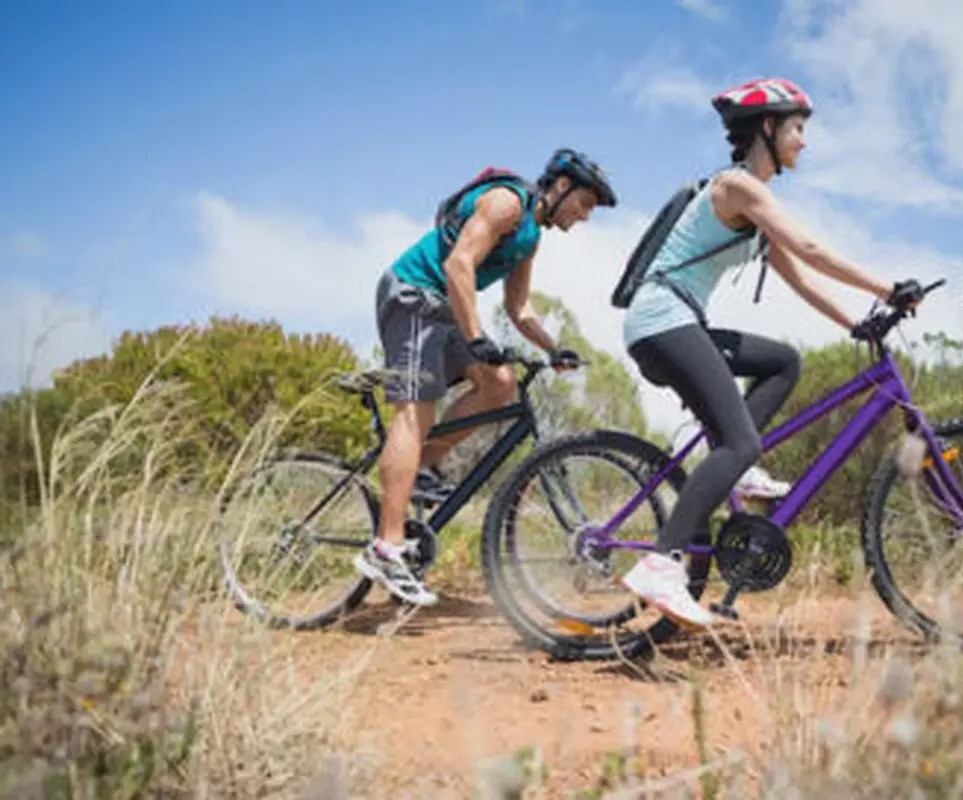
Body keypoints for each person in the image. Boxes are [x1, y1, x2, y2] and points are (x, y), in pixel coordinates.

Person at [617, 78, 925, 628]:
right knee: (738, 440)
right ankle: (661, 565)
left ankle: (736, 470)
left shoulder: (753, 216)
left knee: (783, 361)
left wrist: (858, 323)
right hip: (663, 319)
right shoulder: (739, 187)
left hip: (675, 320)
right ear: (767, 128)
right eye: (798, 128)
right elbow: (808, 245)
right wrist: (886, 287)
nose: (805, 142)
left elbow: (801, 275)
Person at [356, 148, 619, 606]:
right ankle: (386, 547)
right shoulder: (507, 203)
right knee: (415, 412)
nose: (584, 216)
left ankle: (416, 470)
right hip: (413, 295)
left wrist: (553, 348)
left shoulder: (531, 237)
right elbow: (459, 264)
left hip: (445, 308)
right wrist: (477, 336)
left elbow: (519, 307)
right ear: (560, 187)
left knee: (500, 385)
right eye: (584, 204)